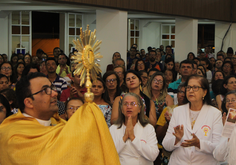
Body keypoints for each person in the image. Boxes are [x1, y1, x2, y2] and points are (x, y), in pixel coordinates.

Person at [0, 72, 120, 164]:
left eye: (51, 88)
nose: (54, 93)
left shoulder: (61, 125)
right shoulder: (12, 135)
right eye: (45, 90)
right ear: (29, 102)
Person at [163, 75, 223, 165]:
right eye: (189, 87)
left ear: (204, 92)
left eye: (195, 87)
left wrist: (199, 144)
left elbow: (219, 148)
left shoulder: (215, 113)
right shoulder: (178, 111)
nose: (191, 90)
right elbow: (166, 144)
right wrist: (176, 140)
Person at [109, 92, 159, 165]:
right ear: (121, 109)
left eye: (133, 104)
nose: (129, 107)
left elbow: (153, 155)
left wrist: (133, 138)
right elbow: (109, 154)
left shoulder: (148, 128)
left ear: (140, 108)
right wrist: (124, 137)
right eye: (125, 104)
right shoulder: (113, 128)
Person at [155, 83, 185, 164]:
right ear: (177, 94)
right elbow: (158, 135)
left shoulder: (193, 112)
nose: (183, 95)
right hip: (167, 150)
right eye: (181, 92)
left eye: (185, 93)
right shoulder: (168, 110)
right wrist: (167, 123)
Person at [213, 91, 236, 164]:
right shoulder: (223, 120)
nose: (229, 102)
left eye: (233, 100)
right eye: (227, 100)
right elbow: (218, 156)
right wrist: (228, 130)